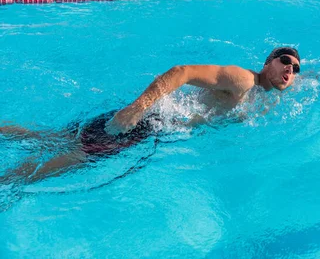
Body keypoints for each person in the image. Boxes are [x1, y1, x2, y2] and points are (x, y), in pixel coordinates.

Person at [0, 47, 301, 184]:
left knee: (52, 140)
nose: (290, 69)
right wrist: (137, 108)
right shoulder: (243, 80)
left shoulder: (262, 98)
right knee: (76, 157)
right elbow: (182, 72)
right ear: (267, 62)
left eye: (295, 68)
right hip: (147, 121)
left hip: (155, 125)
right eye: (285, 61)